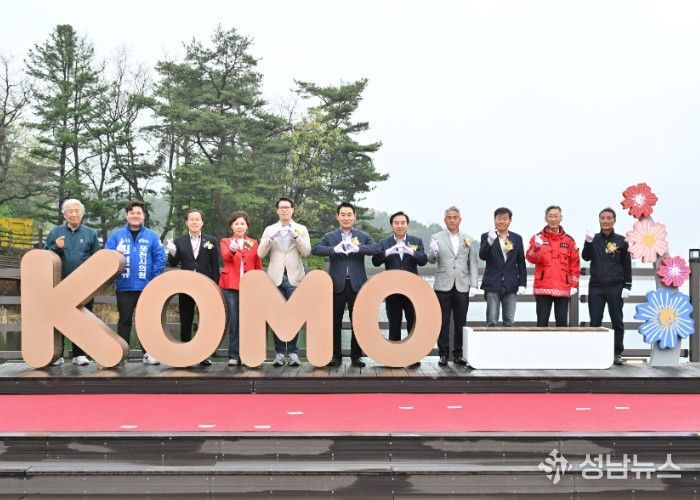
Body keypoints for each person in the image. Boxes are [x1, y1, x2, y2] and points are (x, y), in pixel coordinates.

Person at [311, 201, 380, 367]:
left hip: (358, 284)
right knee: (335, 321)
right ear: (337, 217)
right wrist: (334, 249)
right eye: (343, 215)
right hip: (336, 284)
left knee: (358, 321)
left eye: (349, 215)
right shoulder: (330, 236)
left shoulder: (362, 235)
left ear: (354, 217)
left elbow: (376, 249)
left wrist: (359, 248)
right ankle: (336, 356)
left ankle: (356, 356)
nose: (346, 218)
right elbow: (315, 249)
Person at [105, 200, 166, 365]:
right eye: (132, 213)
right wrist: (115, 254)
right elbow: (107, 256)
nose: (135, 216)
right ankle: (122, 355)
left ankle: (148, 353)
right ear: (126, 215)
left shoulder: (152, 236)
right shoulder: (117, 235)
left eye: (138, 213)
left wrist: (153, 280)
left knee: (146, 321)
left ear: (143, 216)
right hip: (124, 286)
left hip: (146, 287)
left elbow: (160, 258)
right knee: (124, 321)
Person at [44, 199, 101, 366]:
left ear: (82, 214)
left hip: (84, 286)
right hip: (60, 284)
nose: (74, 214)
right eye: (70, 211)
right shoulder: (55, 232)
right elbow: (44, 256)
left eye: (77, 211)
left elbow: (98, 259)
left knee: (82, 320)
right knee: (59, 319)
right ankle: (57, 354)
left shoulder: (90, 233)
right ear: (64, 214)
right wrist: (56, 247)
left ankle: (80, 355)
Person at [257, 197, 311, 367]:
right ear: (277, 210)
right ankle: (279, 353)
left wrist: (295, 236)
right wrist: (270, 238)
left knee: (294, 316)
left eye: (287, 207)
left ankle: (293, 353)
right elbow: (260, 253)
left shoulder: (301, 229)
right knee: (276, 316)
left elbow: (307, 252)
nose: (284, 210)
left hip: (295, 277)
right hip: (275, 278)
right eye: (281, 207)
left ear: (292, 210)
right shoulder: (270, 229)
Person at [371, 211, 427, 367]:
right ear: (392, 225)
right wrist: (388, 252)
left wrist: (411, 252)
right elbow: (375, 261)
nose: (400, 226)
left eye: (403, 223)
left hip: (412, 291)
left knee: (413, 323)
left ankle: (413, 357)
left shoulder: (416, 241)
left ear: (407, 225)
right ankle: (394, 358)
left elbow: (423, 260)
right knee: (394, 324)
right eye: (396, 223)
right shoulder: (384, 242)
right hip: (392, 291)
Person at [166, 208, 220, 367]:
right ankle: (185, 354)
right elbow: (173, 263)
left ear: (202, 222)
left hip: (206, 285)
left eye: (197, 219)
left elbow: (215, 266)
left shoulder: (211, 240)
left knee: (205, 320)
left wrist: (215, 286)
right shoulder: (179, 241)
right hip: (186, 286)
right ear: (186, 222)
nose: (194, 222)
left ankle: (204, 354)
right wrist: (172, 252)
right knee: (186, 319)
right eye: (191, 219)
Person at [427, 206, 478, 366]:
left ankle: (458, 354)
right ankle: (443, 354)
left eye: (455, 217)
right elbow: (431, 260)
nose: (452, 220)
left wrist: (474, 284)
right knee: (442, 321)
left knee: (461, 321)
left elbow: (473, 263)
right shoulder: (436, 237)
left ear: (460, 220)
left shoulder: (468, 239)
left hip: (462, 285)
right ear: (445, 220)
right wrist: (434, 252)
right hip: (443, 284)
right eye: (449, 217)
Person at [582, 207, 632, 366]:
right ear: (599, 220)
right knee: (595, 320)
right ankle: (594, 352)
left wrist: (628, 285)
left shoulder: (622, 240)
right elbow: (585, 257)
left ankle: (617, 353)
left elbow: (627, 265)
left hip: (615, 286)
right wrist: (588, 242)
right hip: (596, 286)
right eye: (602, 218)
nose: (605, 221)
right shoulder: (594, 238)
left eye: (609, 218)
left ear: (614, 220)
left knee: (617, 320)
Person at [219, 211, 262, 366]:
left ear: (247, 226)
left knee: (249, 320)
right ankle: (233, 354)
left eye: (242, 223)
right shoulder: (225, 241)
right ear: (231, 226)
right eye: (236, 223)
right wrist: (232, 249)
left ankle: (247, 354)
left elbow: (258, 264)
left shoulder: (253, 242)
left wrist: (258, 283)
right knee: (234, 320)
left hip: (249, 286)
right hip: (231, 285)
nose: (239, 226)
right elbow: (226, 257)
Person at [526, 205, 581, 327]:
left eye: (556, 216)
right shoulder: (537, 238)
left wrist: (573, 284)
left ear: (561, 218)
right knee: (542, 322)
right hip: (543, 287)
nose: (553, 219)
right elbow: (531, 258)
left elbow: (574, 264)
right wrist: (536, 247)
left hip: (563, 287)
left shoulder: (569, 240)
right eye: (550, 216)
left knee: (562, 323)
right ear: (545, 218)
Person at [479, 207, 527, 327]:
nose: (501, 221)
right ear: (494, 220)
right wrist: (489, 242)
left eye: (505, 218)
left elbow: (521, 262)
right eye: (499, 218)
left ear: (510, 221)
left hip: (511, 284)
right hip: (492, 284)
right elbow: (482, 256)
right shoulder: (486, 236)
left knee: (509, 321)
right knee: (492, 321)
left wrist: (522, 283)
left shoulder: (517, 238)